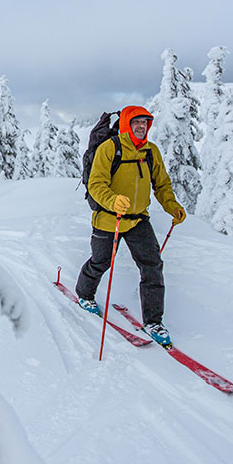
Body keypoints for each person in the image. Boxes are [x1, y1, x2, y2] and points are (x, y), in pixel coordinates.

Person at [75, 105, 186, 346]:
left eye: (145, 123)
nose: (141, 127)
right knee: (100, 262)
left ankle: (154, 321)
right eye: (136, 122)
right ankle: (84, 295)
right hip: (108, 217)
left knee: (152, 266)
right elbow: (96, 184)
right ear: (126, 124)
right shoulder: (109, 148)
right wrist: (113, 200)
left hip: (137, 220)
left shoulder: (150, 152)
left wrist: (172, 206)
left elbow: (162, 185)